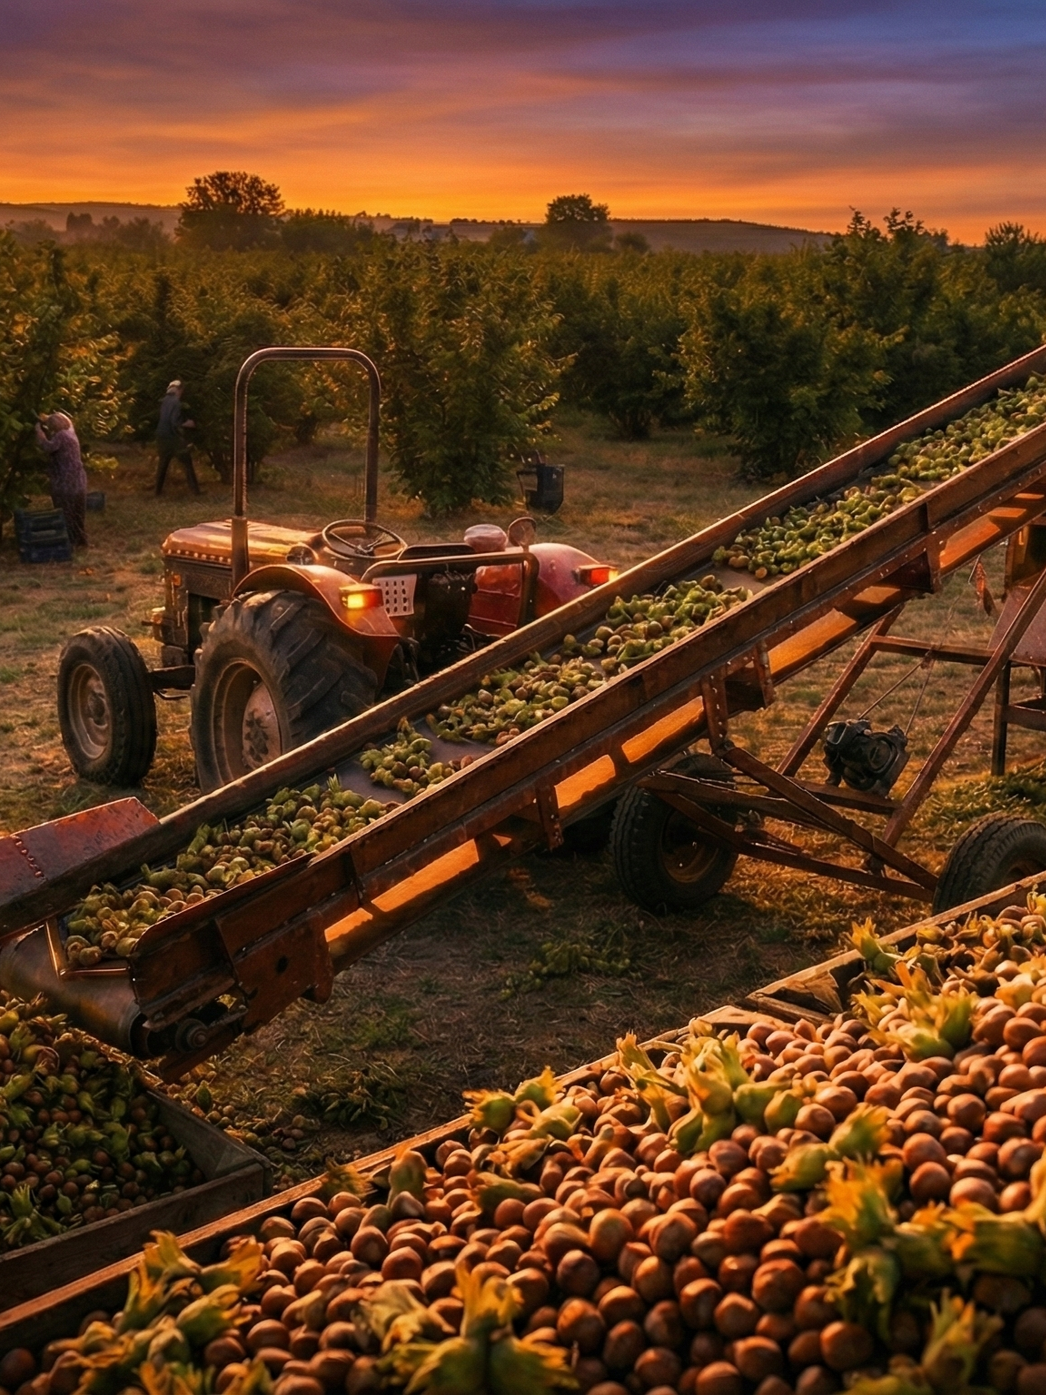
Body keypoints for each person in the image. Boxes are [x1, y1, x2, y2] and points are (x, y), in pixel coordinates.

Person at [35, 411, 88, 547]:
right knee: (78, 511)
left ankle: (70, 542)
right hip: (77, 478)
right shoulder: (70, 434)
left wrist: (39, 433)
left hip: (66, 479)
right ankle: (80, 541)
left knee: (66, 511)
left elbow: (48, 447)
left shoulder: (62, 435)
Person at [155, 379, 201, 495]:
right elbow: (174, 421)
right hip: (172, 437)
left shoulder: (164, 401)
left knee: (163, 464)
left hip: (161, 435)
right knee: (187, 461)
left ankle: (157, 492)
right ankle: (195, 491)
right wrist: (188, 423)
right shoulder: (176, 402)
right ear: (178, 390)